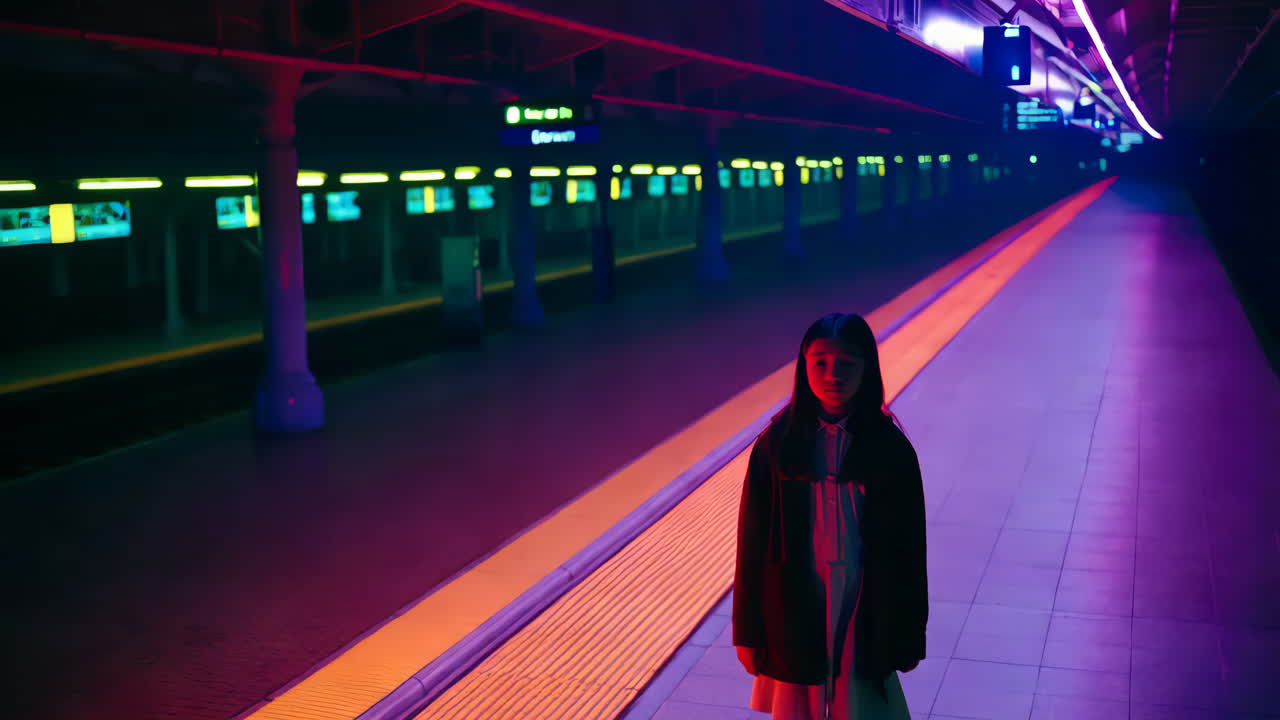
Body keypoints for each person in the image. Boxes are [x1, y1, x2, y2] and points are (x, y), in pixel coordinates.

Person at [733, 312, 927, 720]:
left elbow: (911, 549)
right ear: (803, 366)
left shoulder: (891, 450)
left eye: (847, 364)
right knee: (798, 701)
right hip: (795, 596)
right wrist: (747, 631)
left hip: (864, 593)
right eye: (819, 362)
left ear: (868, 369)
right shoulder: (777, 445)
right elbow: (751, 544)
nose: (832, 374)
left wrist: (911, 631)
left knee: (859, 701)